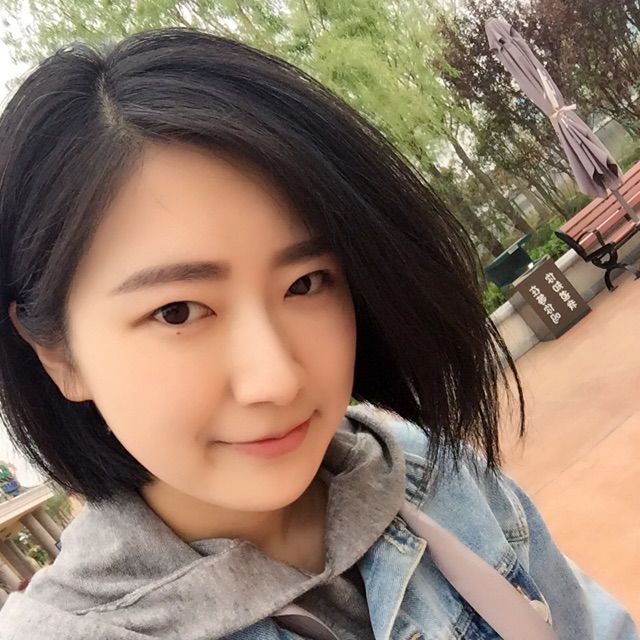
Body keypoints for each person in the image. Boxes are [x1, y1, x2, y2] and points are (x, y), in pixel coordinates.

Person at [0, 27, 635, 640]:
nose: (277, 379)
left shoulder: (417, 465)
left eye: (305, 283)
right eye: (178, 312)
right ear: (58, 355)